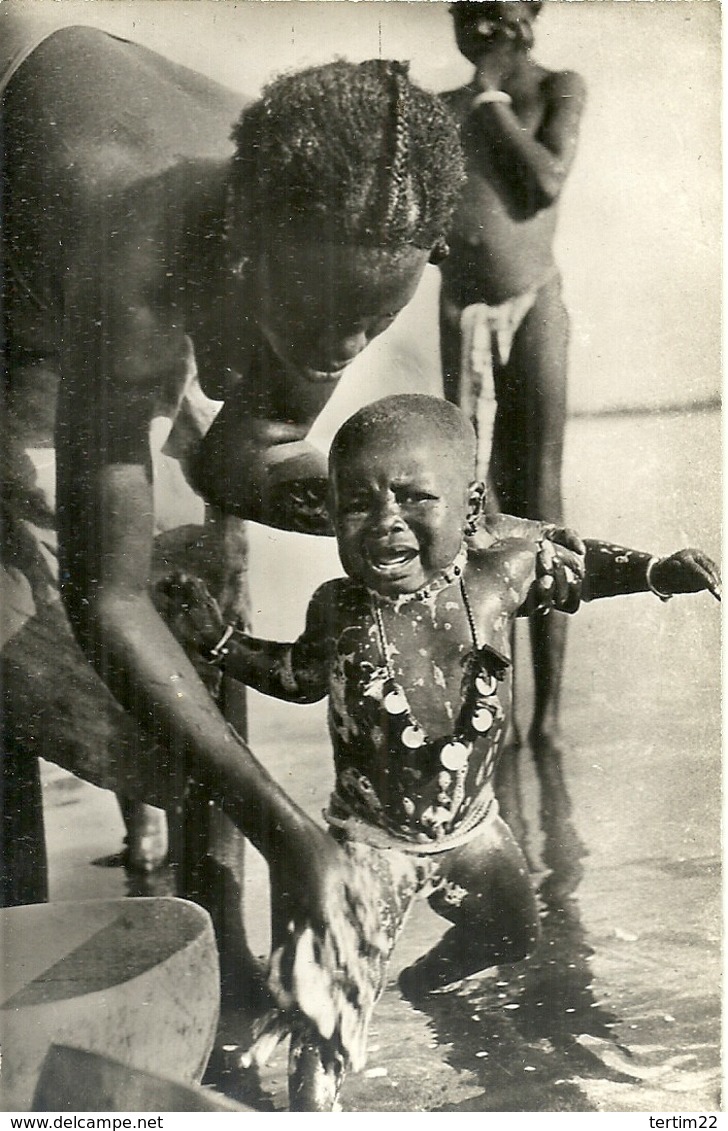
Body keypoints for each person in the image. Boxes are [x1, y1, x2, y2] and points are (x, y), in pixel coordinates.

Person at [1, 4, 470, 1010]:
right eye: (322, 318)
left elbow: (235, 461)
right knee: (10, 642)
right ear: (252, 248)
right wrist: (290, 825)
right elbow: (106, 594)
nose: (341, 347)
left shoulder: (347, 223)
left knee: (196, 596)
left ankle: (219, 957)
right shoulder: (133, 236)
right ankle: (15, 963)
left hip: (106, 259)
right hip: (29, 248)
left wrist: (394, 516)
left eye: (366, 322)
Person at [158, 394, 720, 1109]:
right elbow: (298, 678)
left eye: (415, 498)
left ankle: (426, 985)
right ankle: (309, 1108)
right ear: (331, 515)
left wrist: (653, 571)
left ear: (471, 506)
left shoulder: (500, 578)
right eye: (357, 504)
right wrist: (220, 642)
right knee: (331, 1012)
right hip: (373, 842)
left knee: (514, 932)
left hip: (475, 829)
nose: (386, 521)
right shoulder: (340, 609)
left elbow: (582, 569)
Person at [438, 0, 587, 854]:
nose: (476, 26)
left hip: (535, 307)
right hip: (461, 310)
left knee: (543, 499)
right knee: (475, 513)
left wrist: (491, 98)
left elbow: (545, 181)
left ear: (527, 15)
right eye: (463, 12)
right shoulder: (448, 108)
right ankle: (495, 713)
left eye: (492, 11)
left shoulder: (557, 87)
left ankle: (549, 727)